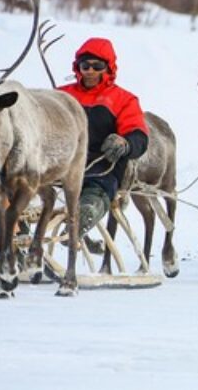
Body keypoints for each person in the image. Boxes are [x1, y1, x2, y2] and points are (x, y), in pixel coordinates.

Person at [58, 38, 150, 239]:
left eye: (97, 66)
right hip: (61, 165)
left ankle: (80, 222)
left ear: (108, 68)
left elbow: (139, 136)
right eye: (85, 65)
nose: (89, 71)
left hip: (101, 169)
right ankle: (18, 244)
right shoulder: (61, 95)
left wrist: (125, 143)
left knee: (93, 197)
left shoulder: (123, 99)